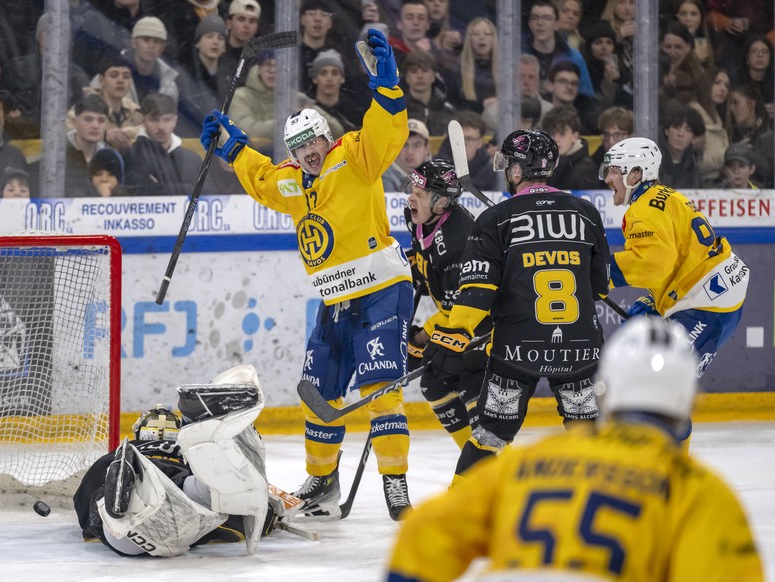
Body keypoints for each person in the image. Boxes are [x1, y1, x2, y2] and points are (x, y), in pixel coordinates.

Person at [200, 28, 414, 521]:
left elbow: (388, 131)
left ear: (326, 137)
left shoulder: (357, 157)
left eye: (312, 143)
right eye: (297, 148)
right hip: (336, 300)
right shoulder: (293, 182)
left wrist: (388, 86)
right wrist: (232, 148)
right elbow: (261, 178)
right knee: (318, 393)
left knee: (380, 389)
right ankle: (321, 483)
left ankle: (396, 485)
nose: (307, 153)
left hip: (383, 290)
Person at [387, 317, 764, 582]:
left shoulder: (534, 460)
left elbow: (424, 536)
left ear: (606, 386)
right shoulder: (698, 491)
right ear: (688, 400)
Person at [422, 128, 609, 479]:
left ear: (518, 170)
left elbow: (477, 291)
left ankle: (461, 516)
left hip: (518, 352)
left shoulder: (495, 218)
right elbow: (600, 287)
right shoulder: (587, 213)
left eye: (508, 164)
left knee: (490, 434)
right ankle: (612, 516)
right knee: (589, 437)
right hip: (579, 352)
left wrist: (452, 335)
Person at [74, 365, 286, 557]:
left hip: (130, 534)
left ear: (141, 433)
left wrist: (92, 523)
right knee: (213, 489)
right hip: (185, 518)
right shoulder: (185, 450)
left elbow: (85, 498)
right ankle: (220, 435)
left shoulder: (126, 450)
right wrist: (267, 514)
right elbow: (237, 524)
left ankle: (123, 501)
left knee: (115, 506)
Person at [600, 137, 749, 405]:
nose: (608, 178)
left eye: (613, 171)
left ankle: (667, 448)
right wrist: (657, 302)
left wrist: (602, 272)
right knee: (661, 390)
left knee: (659, 393)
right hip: (718, 295)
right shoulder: (667, 195)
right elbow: (679, 257)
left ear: (635, 174)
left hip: (707, 306)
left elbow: (654, 264)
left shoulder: (642, 211)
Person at [405, 159, 485, 449]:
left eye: (421, 194)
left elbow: (456, 310)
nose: (411, 198)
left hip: (483, 328)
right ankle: (472, 458)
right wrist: (418, 270)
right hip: (459, 323)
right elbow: (420, 255)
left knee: (474, 398)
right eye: (412, 189)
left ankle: (488, 467)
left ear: (440, 203)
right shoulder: (416, 216)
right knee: (434, 383)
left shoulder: (457, 242)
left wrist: (421, 339)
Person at [125, 93, 209, 196]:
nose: (161, 126)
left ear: (175, 121)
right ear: (143, 121)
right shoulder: (131, 156)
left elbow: (211, 195)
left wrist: (158, 187)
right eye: (154, 120)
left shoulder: (192, 158)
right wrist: (189, 188)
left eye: (167, 119)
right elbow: (133, 195)